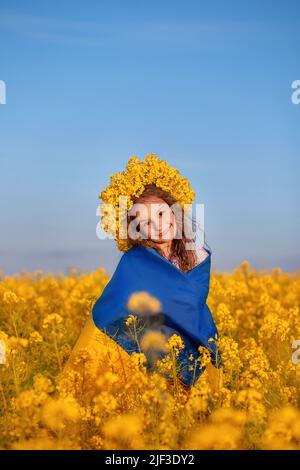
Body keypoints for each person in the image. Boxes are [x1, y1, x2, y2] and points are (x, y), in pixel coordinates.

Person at [61, 154, 222, 394]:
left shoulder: (197, 257)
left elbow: (193, 309)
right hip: (143, 363)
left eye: (160, 214)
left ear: (174, 212)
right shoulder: (134, 261)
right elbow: (112, 311)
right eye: (145, 222)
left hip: (183, 356)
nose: (157, 225)